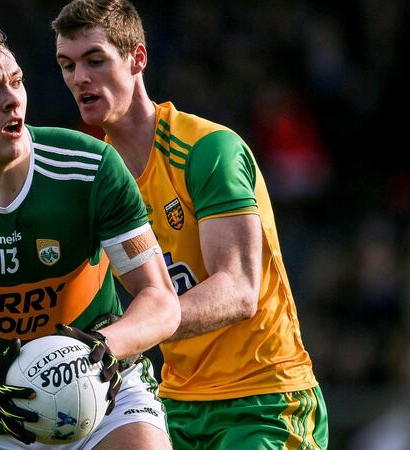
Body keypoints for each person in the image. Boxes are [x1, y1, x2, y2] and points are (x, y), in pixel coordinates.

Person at [0, 6, 180, 450]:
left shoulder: (90, 168)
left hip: (108, 395)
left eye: (16, 81)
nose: (13, 100)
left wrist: (103, 346)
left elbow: (161, 301)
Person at [52, 1, 329, 449]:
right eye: (68, 65)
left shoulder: (206, 150)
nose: (79, 77)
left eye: (95, 60)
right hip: (173, 407)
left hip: (263, 399)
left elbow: (238, 290)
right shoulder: (95, 181)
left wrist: (123, 335)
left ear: (138, 58)